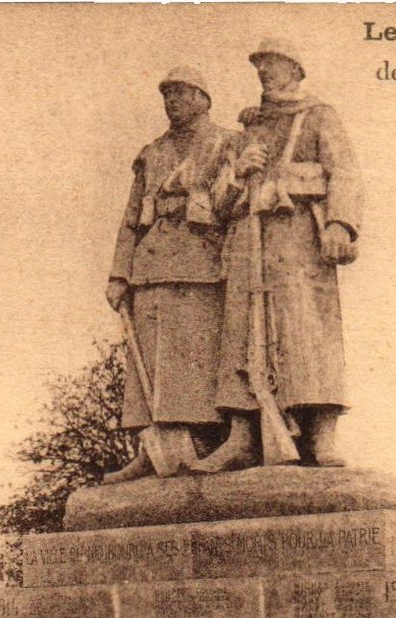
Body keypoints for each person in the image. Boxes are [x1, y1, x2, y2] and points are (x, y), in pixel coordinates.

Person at [194, 39, 363, 472]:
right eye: (259, 67)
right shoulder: (246, 128)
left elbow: (345, 171)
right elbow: (217, 206)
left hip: (300, 239)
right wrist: (237, 173)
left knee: (307, 329)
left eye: (272, 65)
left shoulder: (320, 116)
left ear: (295, 69)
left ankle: (321, 434)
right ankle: (243, 437)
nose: (264, 73)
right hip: (249, 240)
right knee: (241, 332)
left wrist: (340, 224)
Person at [104, 68, 238, 483]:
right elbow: (131, 220)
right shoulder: (152, 152)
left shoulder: (226, 142)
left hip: (202, 262)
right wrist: (118, 274)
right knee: (148, 359)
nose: (172, 101)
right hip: (151, 263)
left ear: (204, 98)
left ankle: (202, 446)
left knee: (194, 360)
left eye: (181, 93)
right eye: (167, 94)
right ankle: (154, 448)